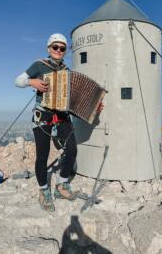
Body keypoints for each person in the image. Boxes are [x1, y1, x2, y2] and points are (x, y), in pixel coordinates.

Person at [15, 33, 99, 212]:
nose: (59, 51)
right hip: (43, 116)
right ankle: (44, 191)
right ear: (49, 49)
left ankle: (61, 185)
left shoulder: (67, 71)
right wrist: (32, 82)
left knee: (72, 150)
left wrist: (93, 107)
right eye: (55, 47)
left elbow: (75, 98)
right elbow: (18, 81)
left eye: (62, 48)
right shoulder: (39, 65)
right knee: (43, 156)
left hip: (62, 117)